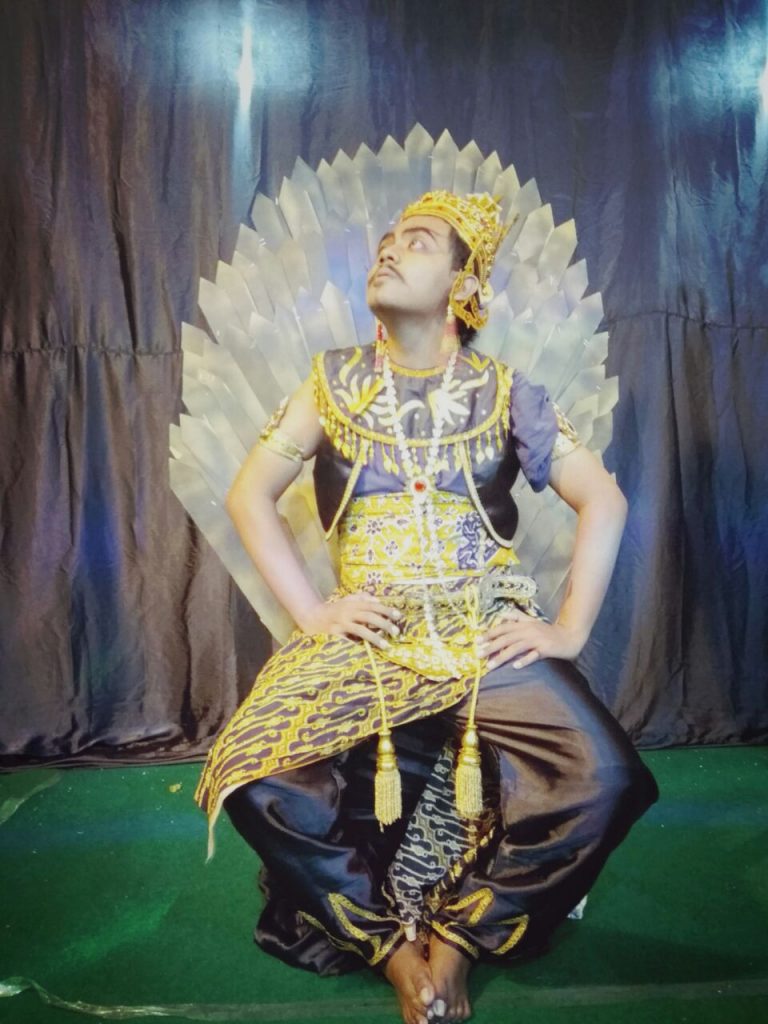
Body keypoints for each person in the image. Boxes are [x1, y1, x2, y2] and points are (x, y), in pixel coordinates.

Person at [194, 190, 658, 1024]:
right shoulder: (330, 382)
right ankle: (387, 948)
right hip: (367, 633)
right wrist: (314, 615)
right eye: (385, 239)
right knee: (253, 772)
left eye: (415, 242)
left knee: (605, 776)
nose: (388, 250)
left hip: (480, 629)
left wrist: (568, 629)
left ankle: (460, 942)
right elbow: (247, 495)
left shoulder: (507, 393)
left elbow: (606, 500)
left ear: (463, 284)